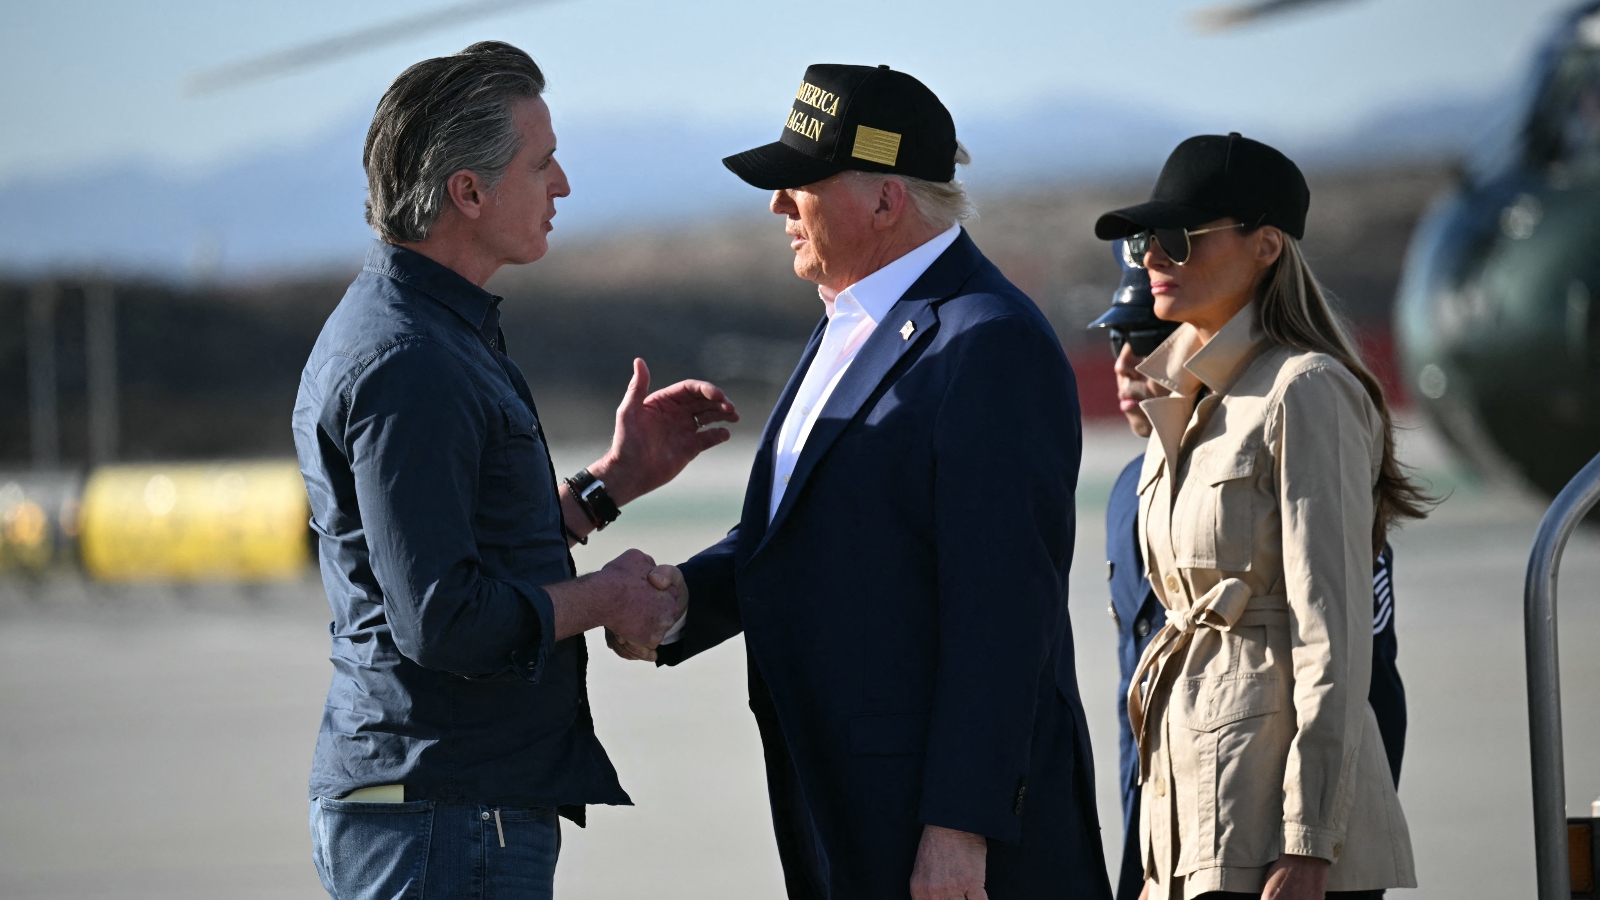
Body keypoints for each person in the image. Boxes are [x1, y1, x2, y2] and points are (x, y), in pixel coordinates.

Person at [608, 64, 1111, 900]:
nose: (776, 206)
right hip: (847, 816)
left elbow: (1003, 609)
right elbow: (811, 535)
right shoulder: (852, 319)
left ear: (885, 201)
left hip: (944, 844)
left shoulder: (988, 343)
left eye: (798, 184)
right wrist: (683, 604)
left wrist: (961, 828)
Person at [291, 42, 738, 900]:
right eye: (542, 164)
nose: (562, 184)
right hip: (441, 820)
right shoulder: (409, 358)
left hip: (448, 811)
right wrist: (606, 597)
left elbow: (459, 545)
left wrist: (607, 486)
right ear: (468, 191)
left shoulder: (429, 330)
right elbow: (440, 619)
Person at [1093, 133, 1431, 900]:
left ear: (1265, 246)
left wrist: (1309, 843)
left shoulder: (1307, 390)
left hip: (1274, 834)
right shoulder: (1175, 402)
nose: (1151, 257)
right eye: (1146, 240)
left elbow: (1333, 630)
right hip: (1184, 824)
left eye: (1177, 238)